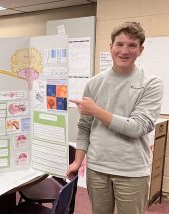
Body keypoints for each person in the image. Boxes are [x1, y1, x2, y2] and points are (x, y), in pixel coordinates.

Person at [67, 22, 163, 214]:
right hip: (97, 169)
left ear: (140, 50)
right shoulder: (94, 83)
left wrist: (96, 110)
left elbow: (137, 128)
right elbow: (84, 127)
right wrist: (78, 161)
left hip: (132, 171)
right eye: (119, 44)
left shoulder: (151, 83)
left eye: (132, 45)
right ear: (111, 47)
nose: (124, 51)